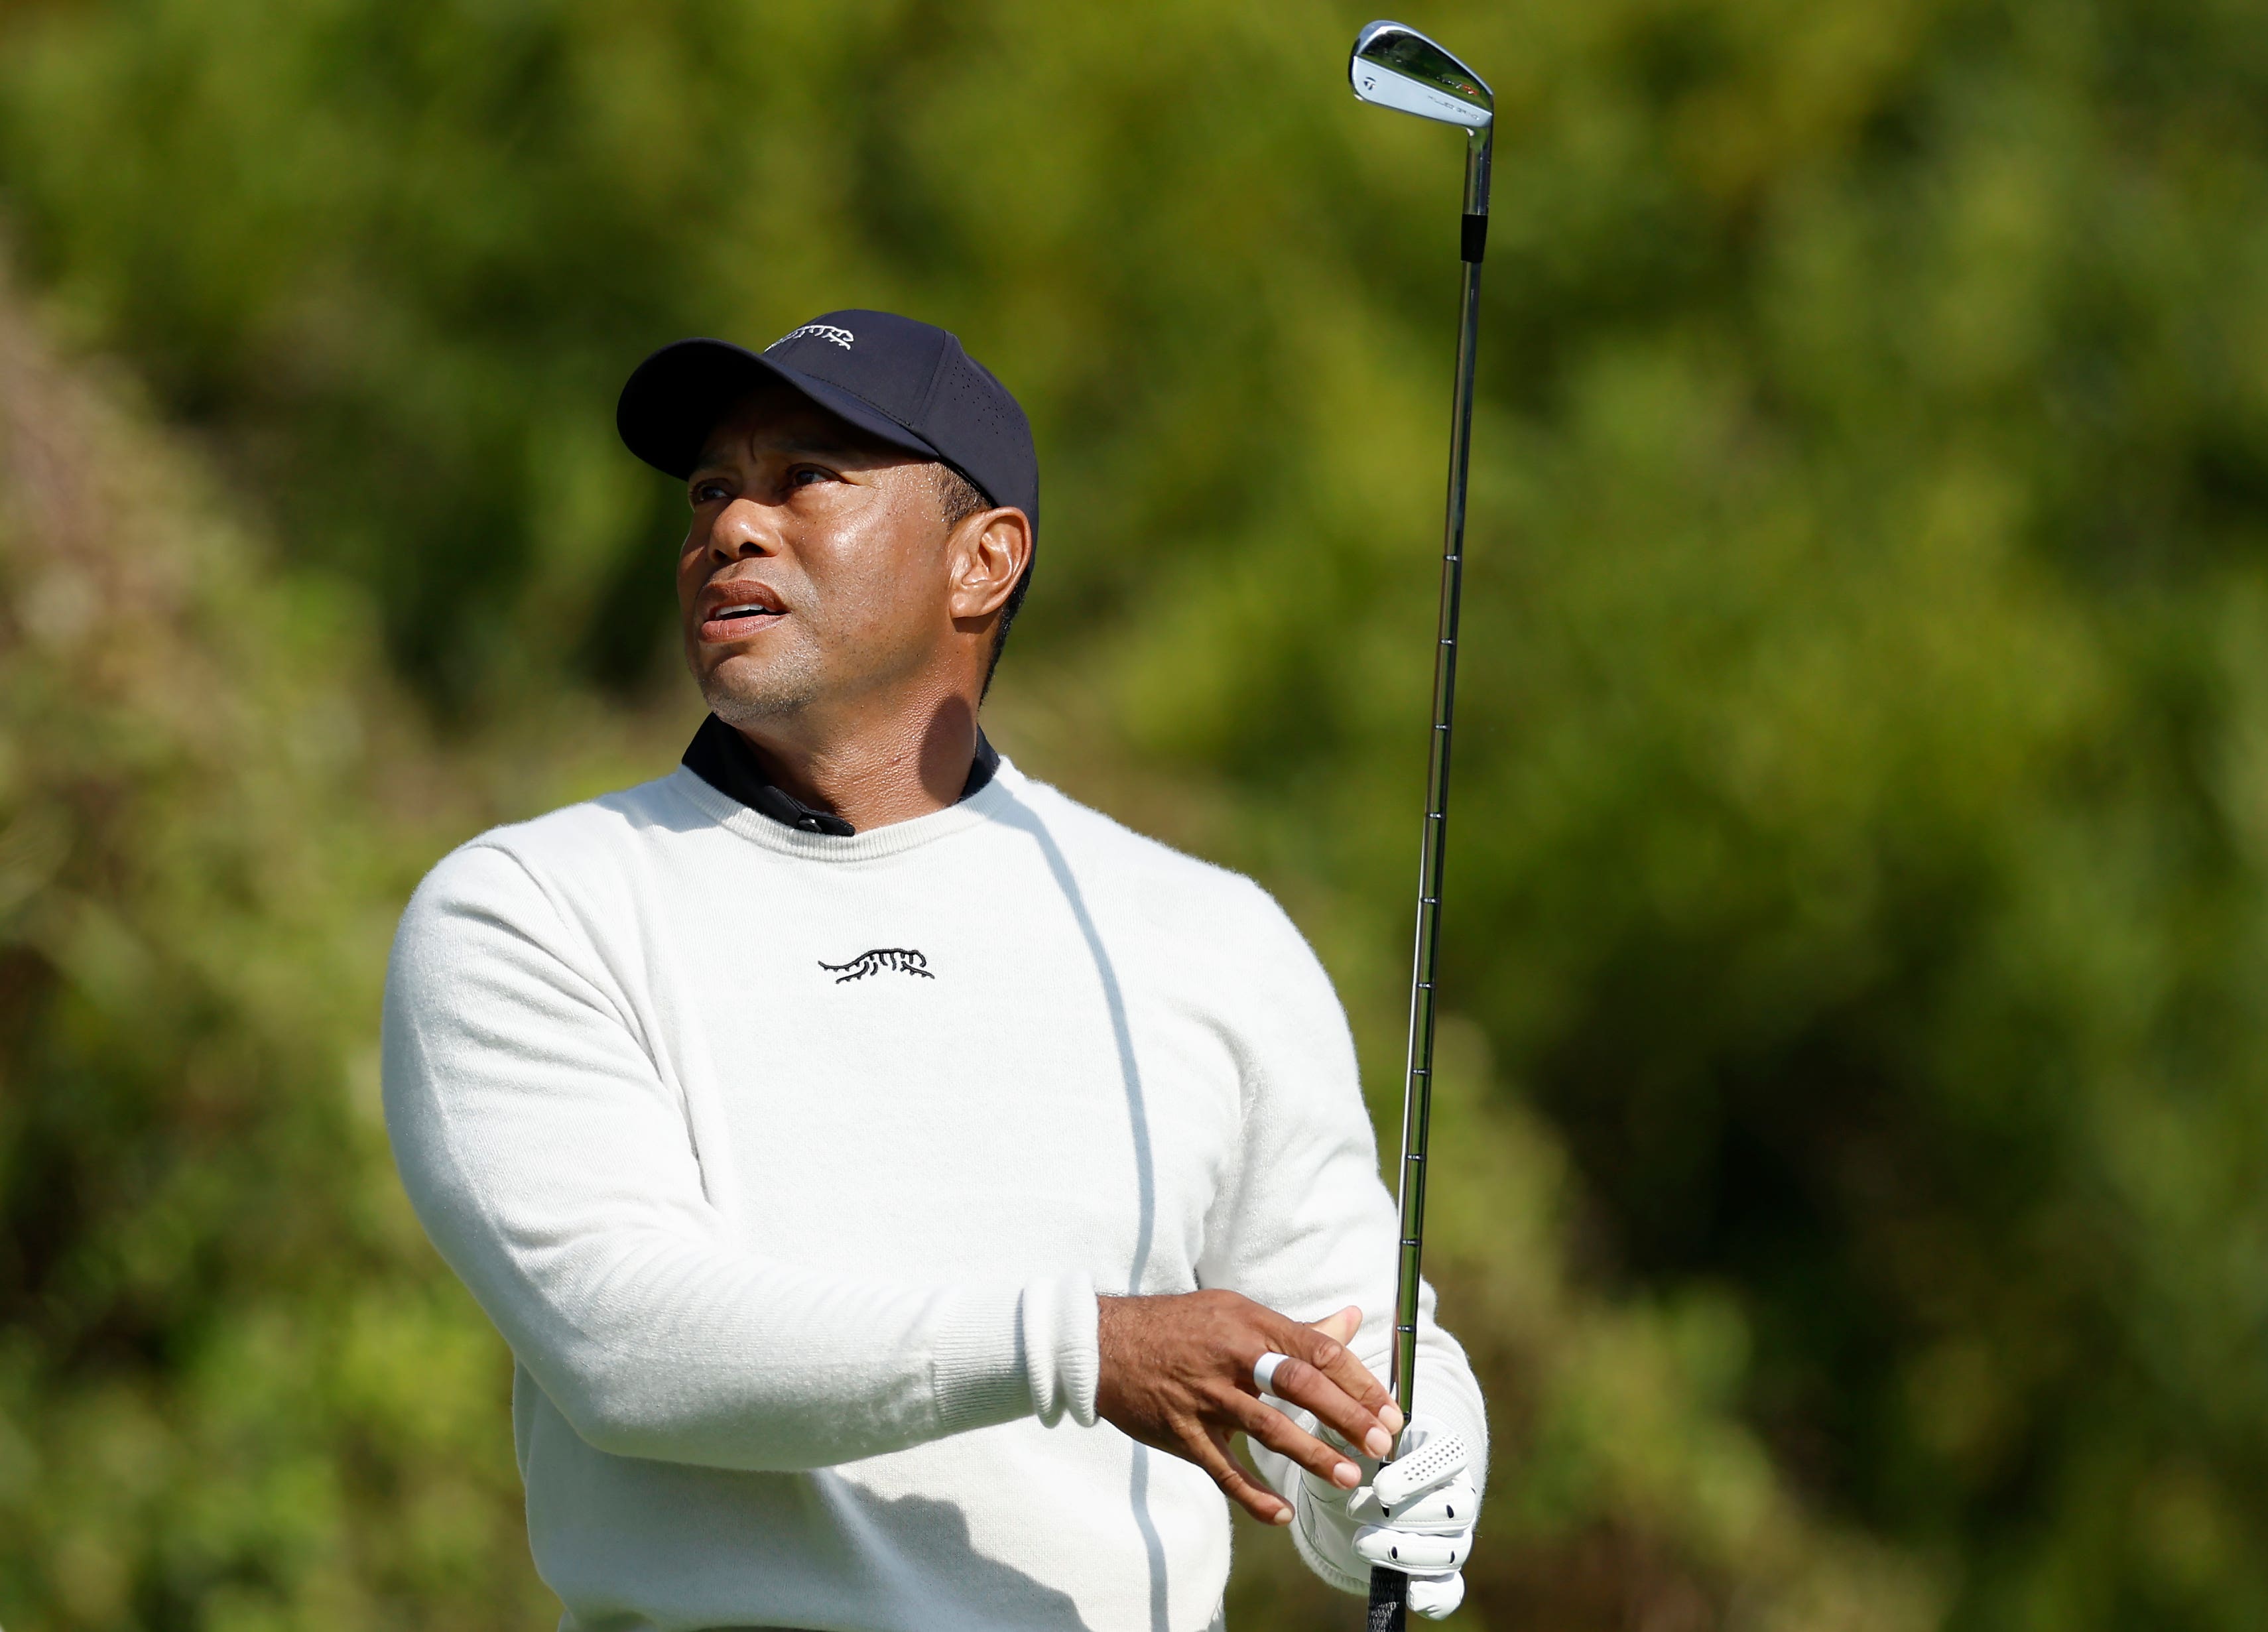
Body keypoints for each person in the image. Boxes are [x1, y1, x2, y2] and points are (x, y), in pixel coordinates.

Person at [381, 310, 1487, 1632]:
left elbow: (1353, 1348)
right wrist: (1082, 1348)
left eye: (805, 477)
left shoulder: (1213, 935)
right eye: (711, 490)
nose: (731, 527)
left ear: (983, 560)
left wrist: (1396, 1480)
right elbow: (622, 1344)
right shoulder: (532, 904)